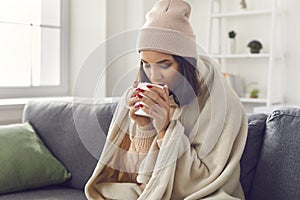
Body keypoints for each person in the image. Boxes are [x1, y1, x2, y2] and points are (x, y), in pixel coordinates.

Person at [85, 0, 248, 199]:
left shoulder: (220, 100)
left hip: (202, 193)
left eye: (164, 65)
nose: (154, 76)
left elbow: (204, 178)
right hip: (149, 189)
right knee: (109, 191)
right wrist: (145, 129)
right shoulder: (137, 94)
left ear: (185, 63)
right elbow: (132, 176)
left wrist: (165, 131)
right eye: (146, 64)